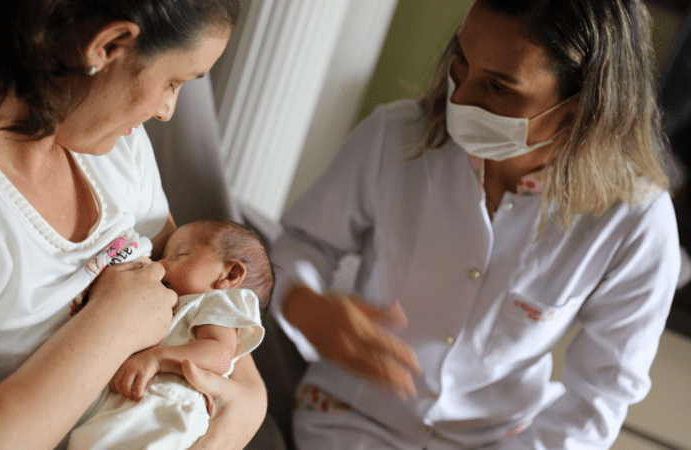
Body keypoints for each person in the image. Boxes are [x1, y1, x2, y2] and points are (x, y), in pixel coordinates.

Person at [269, 0, 682, 449]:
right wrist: (303, 302)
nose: (459, 99)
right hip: (352, 417)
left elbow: (602, 395)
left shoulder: (636, 220)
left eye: (499, 88)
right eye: (461, 63)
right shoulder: (395, 136)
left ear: (582, 107)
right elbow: (302, 242)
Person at [0, 1, 269, 449]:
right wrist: (112, 324)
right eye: (172, 82)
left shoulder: (115, 147)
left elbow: (201, 290)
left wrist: (250, 401)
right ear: (108, 46)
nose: (167, 110)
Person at [67, 219, 273, 450]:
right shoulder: (182, 303)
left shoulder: (219, 301)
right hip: (138, 404)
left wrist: (157, 358)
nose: (161, 264)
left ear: (229, 275)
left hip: (169, 408)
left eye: (179, 255)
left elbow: (219, 355)